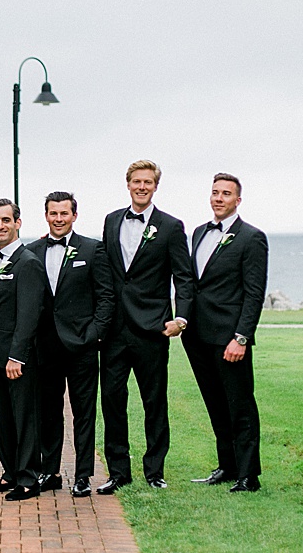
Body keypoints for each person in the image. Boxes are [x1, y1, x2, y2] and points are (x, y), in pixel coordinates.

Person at [97, 160, 195, 494]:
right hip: (114, 329)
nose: (141, 187)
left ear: (155, 186)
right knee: (112, 400)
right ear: (128, 184)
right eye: (136, 181)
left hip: (152, 328)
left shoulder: (171, 226)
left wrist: (181, 318)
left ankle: (155, 471)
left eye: (148, 182)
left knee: (154, 402)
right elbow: (103, 265)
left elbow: (183, 276)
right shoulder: (111, 220)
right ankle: (118, 472)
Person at [24, 192, 114, 498]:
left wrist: (95, 334)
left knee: (83, 413)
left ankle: (83, 475)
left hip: (81, 346)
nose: (59, 219)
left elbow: (106, 296)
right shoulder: (32, 251)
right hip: (45, 347)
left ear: (74, 216)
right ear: (46, 216)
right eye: (54, 213)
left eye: (64, 213)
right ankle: (50, 472)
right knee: (48, 413)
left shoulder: (92, 248)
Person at [182, 173, 267, 493]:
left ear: (238, 200)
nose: (219, 198)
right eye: (215, 192)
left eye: (226, 194)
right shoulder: (199, 233)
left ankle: (248, 475)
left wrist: (241, 337)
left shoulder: (252, 238)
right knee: (215, 404)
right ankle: (227, 466)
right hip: (197, 336)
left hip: (229, 338)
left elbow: (254, 293)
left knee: (240, 405)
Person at [0, 199, 45, 501]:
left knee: (24, 418)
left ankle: (29, 478)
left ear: (18, 223)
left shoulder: (28, 262)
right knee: (2, 418)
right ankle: (10, 472)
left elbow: (29, 314)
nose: (0, 226)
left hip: (17, 359)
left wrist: (16, 356)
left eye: (6, 220)